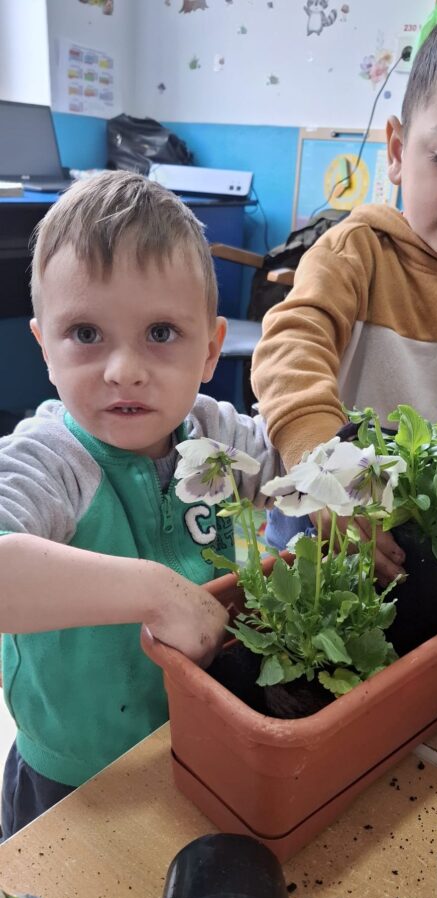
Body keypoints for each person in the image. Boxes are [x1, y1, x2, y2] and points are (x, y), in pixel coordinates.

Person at [0, 170, 280, 840]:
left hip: (199, 750)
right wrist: (154, 592)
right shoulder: (48, 461)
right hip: (73, 778)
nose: (123, 369)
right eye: (85, 333)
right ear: (44, 348)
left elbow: (303, 460)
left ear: (211, 349)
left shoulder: (220, 434)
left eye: (160, 332)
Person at [251, 5, 437, 584]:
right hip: (323, 519)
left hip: (433, 544)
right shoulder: (356, 251)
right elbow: (289, 346)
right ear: (396, 152)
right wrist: (323, 467)